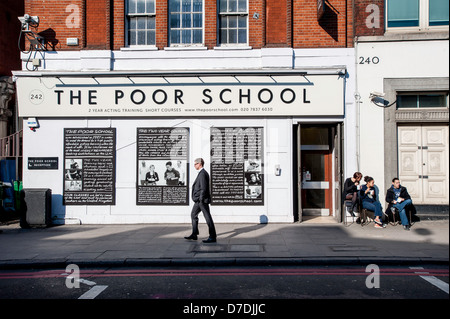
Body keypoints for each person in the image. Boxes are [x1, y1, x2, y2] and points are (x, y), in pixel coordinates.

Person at [185, 158, 217, 243]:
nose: (194, 165)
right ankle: (194, 234)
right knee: (193, 214)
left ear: (200, 164)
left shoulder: (203, 174)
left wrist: (201, 199)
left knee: (207, 217)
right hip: (199, 200)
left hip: (201, 200)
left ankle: (212, 236)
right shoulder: (201, 173)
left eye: (195, 164)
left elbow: (204, 188)